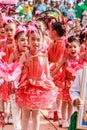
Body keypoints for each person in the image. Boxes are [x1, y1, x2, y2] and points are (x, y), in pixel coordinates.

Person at [16, 22, 58, 130]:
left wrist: (50, 84)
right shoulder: (24, 56)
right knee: (25, 113)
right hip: (26, 87)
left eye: (38, 39)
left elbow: (47, 74)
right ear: (28, 40)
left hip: (39, 88)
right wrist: (15, 83)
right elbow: (18, 72)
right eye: (33, 39)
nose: (36, 42)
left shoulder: (43, 56)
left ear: (43, 41)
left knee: (35, 114)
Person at [60, 36, 83, 128]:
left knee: (70, 103)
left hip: (76, 83)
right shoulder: (65, 59)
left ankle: (69, 119)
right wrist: (49, 77)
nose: (72, 49)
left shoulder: (80, 60)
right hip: (67, 84)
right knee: (64, 102)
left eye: (75, 47)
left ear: (79, 48)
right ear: (66, 48)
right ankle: (63, 118)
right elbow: (58, 68)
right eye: (70, 47)